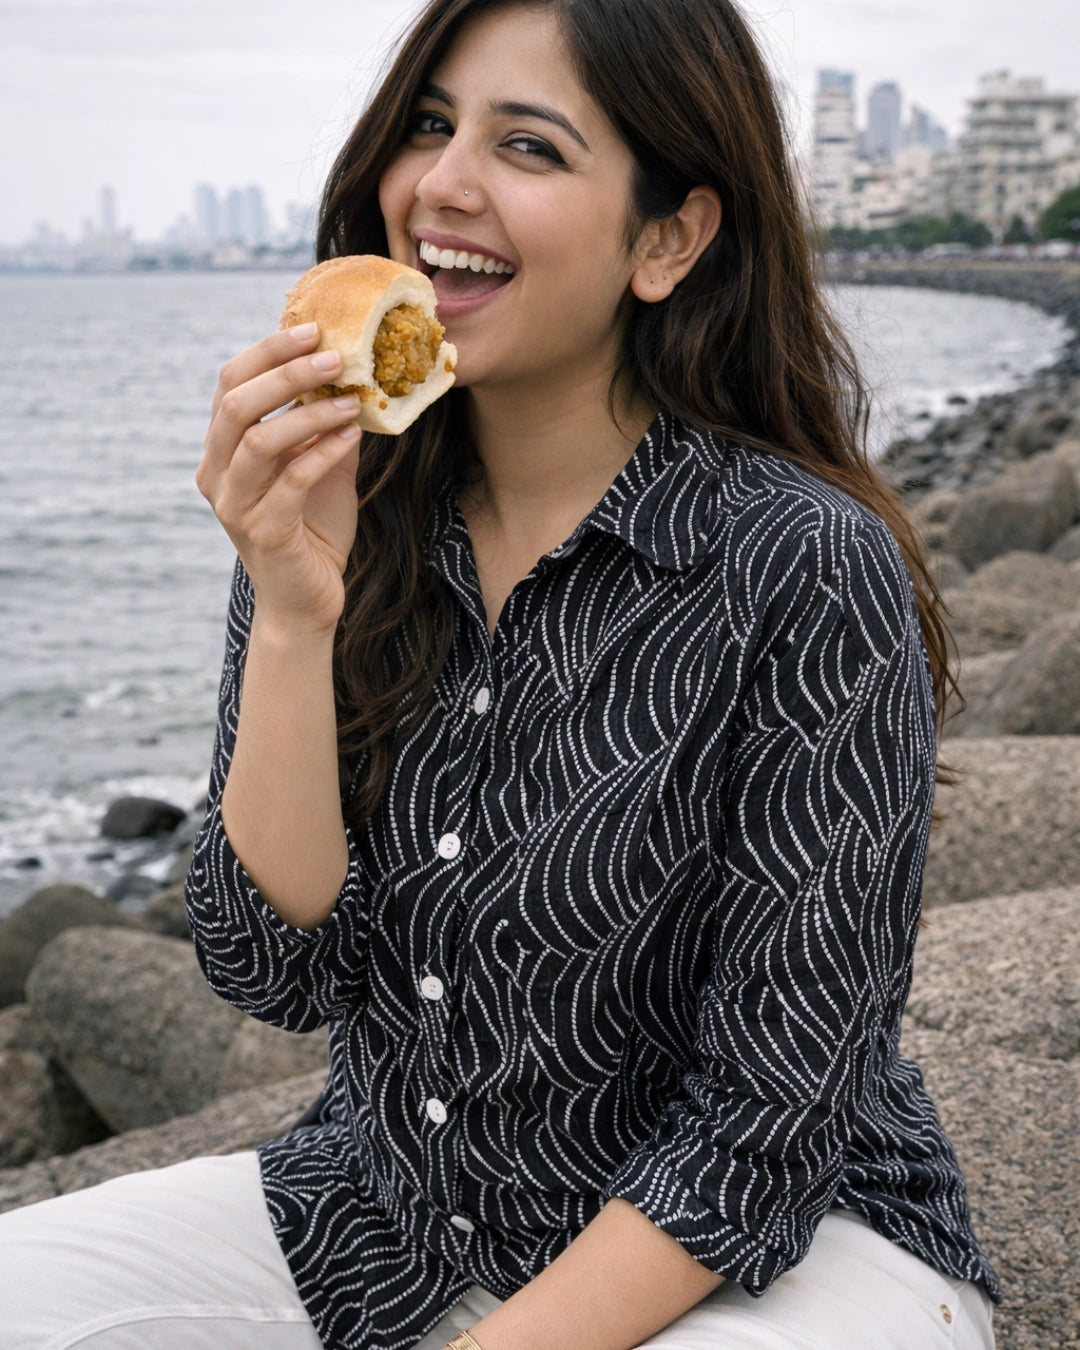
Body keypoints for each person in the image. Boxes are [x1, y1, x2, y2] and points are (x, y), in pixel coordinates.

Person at [0, 0, 999, 1346]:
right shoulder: (344, 503)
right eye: (429, 124)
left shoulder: (802, 566)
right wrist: (291, 615)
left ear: (668, 240)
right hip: (389, 1219)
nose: (441, 186)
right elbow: (270, 968)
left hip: (779, 1251)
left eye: (528, 146)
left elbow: (766, 1120)